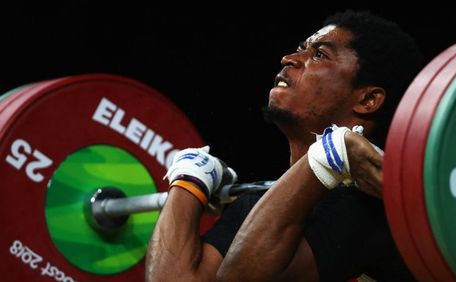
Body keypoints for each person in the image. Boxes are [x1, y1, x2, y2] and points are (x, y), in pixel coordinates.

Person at [145, 9, 424, 282]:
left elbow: (240, 276)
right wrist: (188, 182)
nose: (289, 58)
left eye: (319, 54)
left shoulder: (372, 206)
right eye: (300, 48)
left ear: (367, 100)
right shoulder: (256, 208)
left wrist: (327, 157)